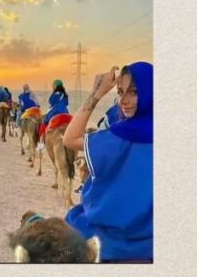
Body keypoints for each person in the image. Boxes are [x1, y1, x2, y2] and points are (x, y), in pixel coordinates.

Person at [63, 63, 153, 262]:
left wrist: (97, 92)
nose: (124, 101)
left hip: (108, 241)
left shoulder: (115, 137)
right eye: (121, 92)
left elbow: (69, 139)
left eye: (134, 92)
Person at [38, 78, 70, 149]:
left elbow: (51, 102)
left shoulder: (54, 94)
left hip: (55, 111)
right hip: (65, 111)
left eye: (53, 85)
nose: (52, 86)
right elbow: (66, 103)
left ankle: (41, 141)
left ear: (55, 86)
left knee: (44, 122)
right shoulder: (65, 95)